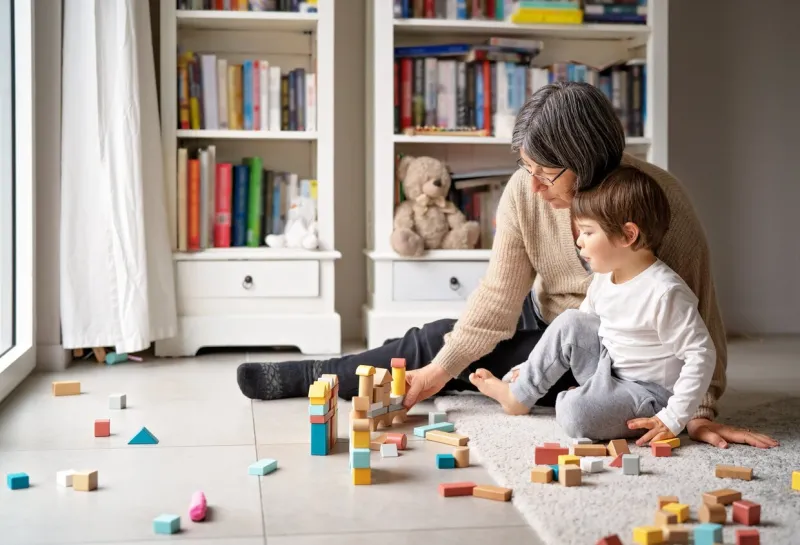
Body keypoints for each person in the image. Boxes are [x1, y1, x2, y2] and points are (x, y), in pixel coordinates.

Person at [237, 81, 778, 450]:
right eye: (526, 169)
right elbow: (498, 299)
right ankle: (316, 375)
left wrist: (697, 413)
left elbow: (700, 318)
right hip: (551, 321)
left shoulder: (662, 201)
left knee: (541, 384)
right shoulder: (526, 191)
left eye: (547, 173)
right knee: (436, 343)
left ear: (588, 162)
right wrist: (438, 370)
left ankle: (487, 384)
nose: (534, 186)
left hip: (619, 355)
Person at [469, 165, 716, 445]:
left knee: (574, 414)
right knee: (571, 320)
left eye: (587, 232)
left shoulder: (665, 293)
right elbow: (575, 329)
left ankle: (584, 399)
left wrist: (673, 418)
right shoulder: (604, 277)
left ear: (627, 235)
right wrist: (528, 368)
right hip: (608, 370)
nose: (578, 240)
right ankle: (519, 396)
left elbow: (701, 355)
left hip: (649, 394)